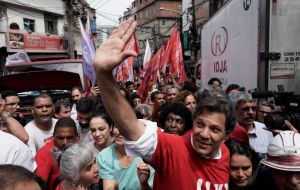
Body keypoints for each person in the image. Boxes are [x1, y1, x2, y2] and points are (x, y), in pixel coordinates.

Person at [93, 17, 236, 189]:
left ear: (227, 135)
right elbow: (130, 126)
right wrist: (103, 73)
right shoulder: (173, 149)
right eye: (200, 124)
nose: (204, 134)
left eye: (214, 129)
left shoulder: (225, 154)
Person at [35, 118, 79, 190]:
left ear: (77, 137)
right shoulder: (46, 152)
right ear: (53, 136)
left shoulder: (80, 150)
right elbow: (39, 186)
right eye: (60, 138)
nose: (65, 142)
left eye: (69, 138)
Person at [230, 91, 273, 158]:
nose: (251, 112)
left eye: (253, 109)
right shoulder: (228, 131)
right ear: (234, 111)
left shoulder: (265, 129)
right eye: (245, 109)